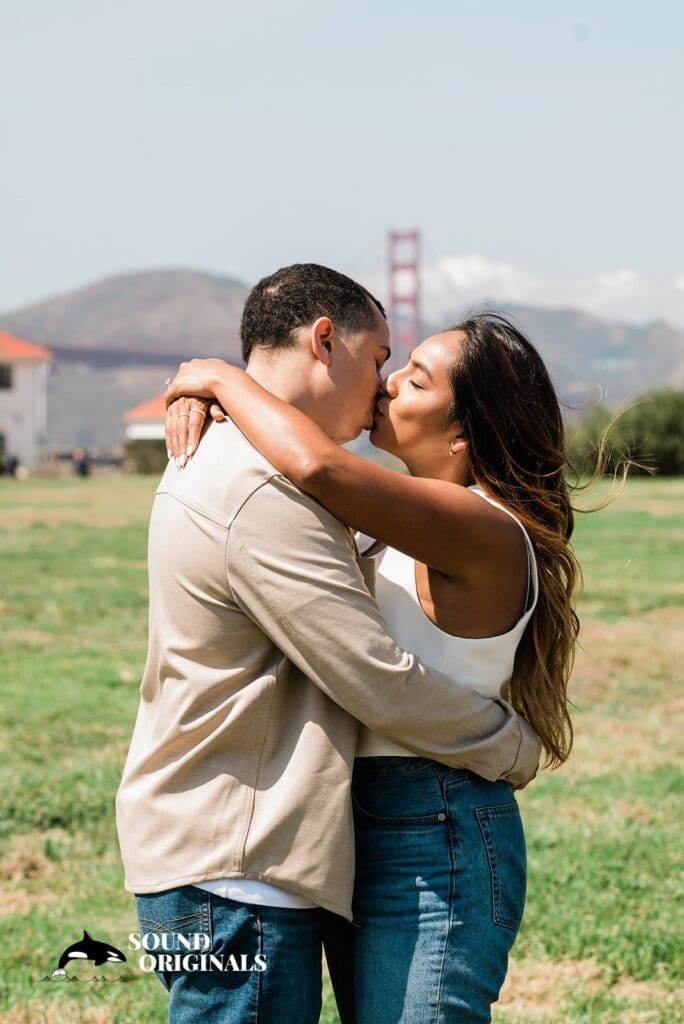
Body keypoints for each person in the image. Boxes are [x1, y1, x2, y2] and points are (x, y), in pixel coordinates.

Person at [116, 265, 541, 1024]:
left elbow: (319, 464)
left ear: (463, 430)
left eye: (410, 377)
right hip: (257, 858)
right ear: (323, 342)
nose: (386, 384)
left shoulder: (471, 524)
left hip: (423, 821)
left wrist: (222, 380)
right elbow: (374, 674)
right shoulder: (269, 489)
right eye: (383, 360)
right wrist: (507, 743)